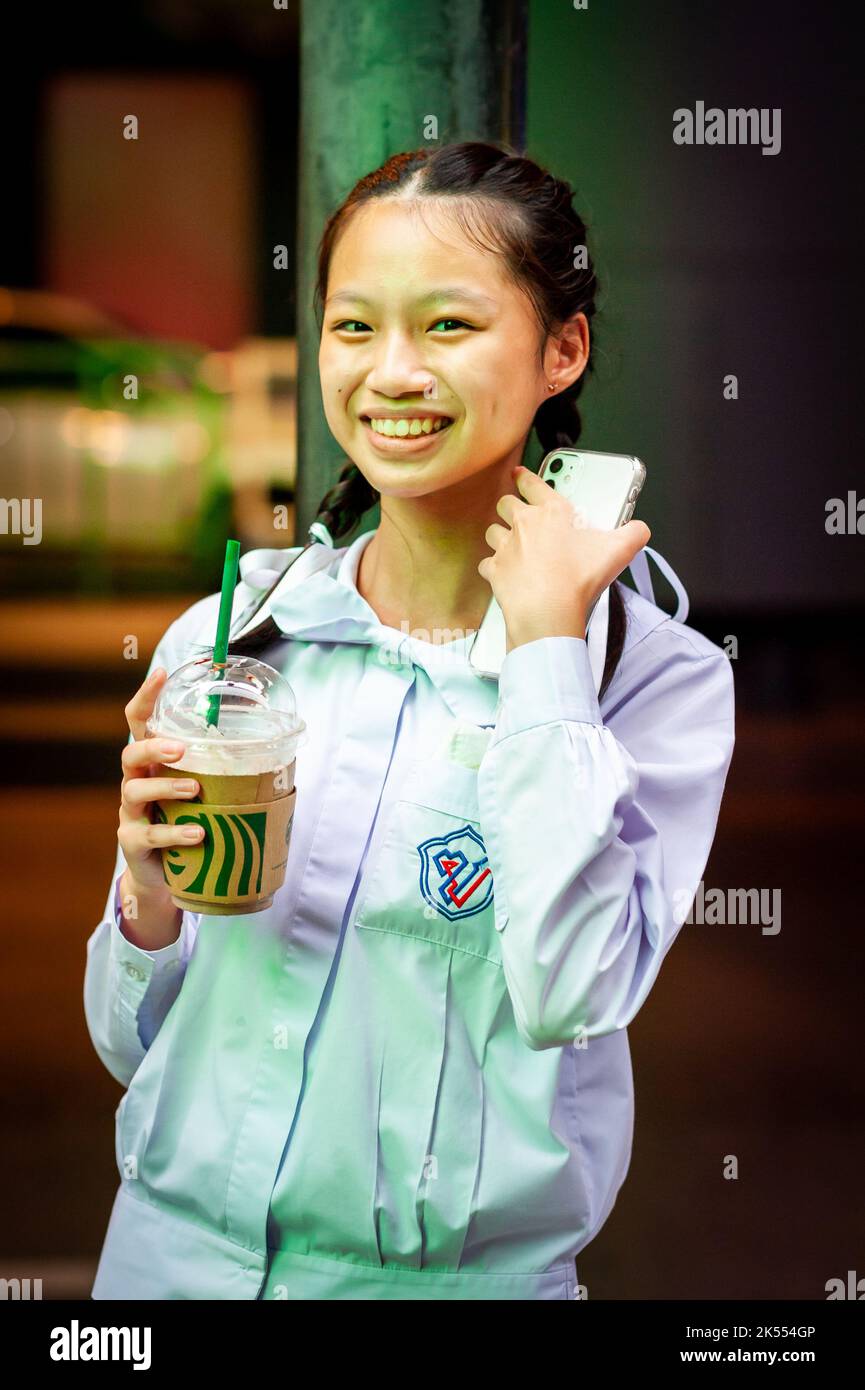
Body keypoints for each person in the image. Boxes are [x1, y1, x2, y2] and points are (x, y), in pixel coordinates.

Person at [84, 141, 735, 1300]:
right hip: (164, 1271)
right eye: (352, 327)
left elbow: (570, 991)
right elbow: (134, 1049)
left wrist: (542, 660)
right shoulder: (233, 639)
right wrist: (142, 901)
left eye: (447, 326)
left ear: (561, 349)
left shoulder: (649, 675)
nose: (391, 372)